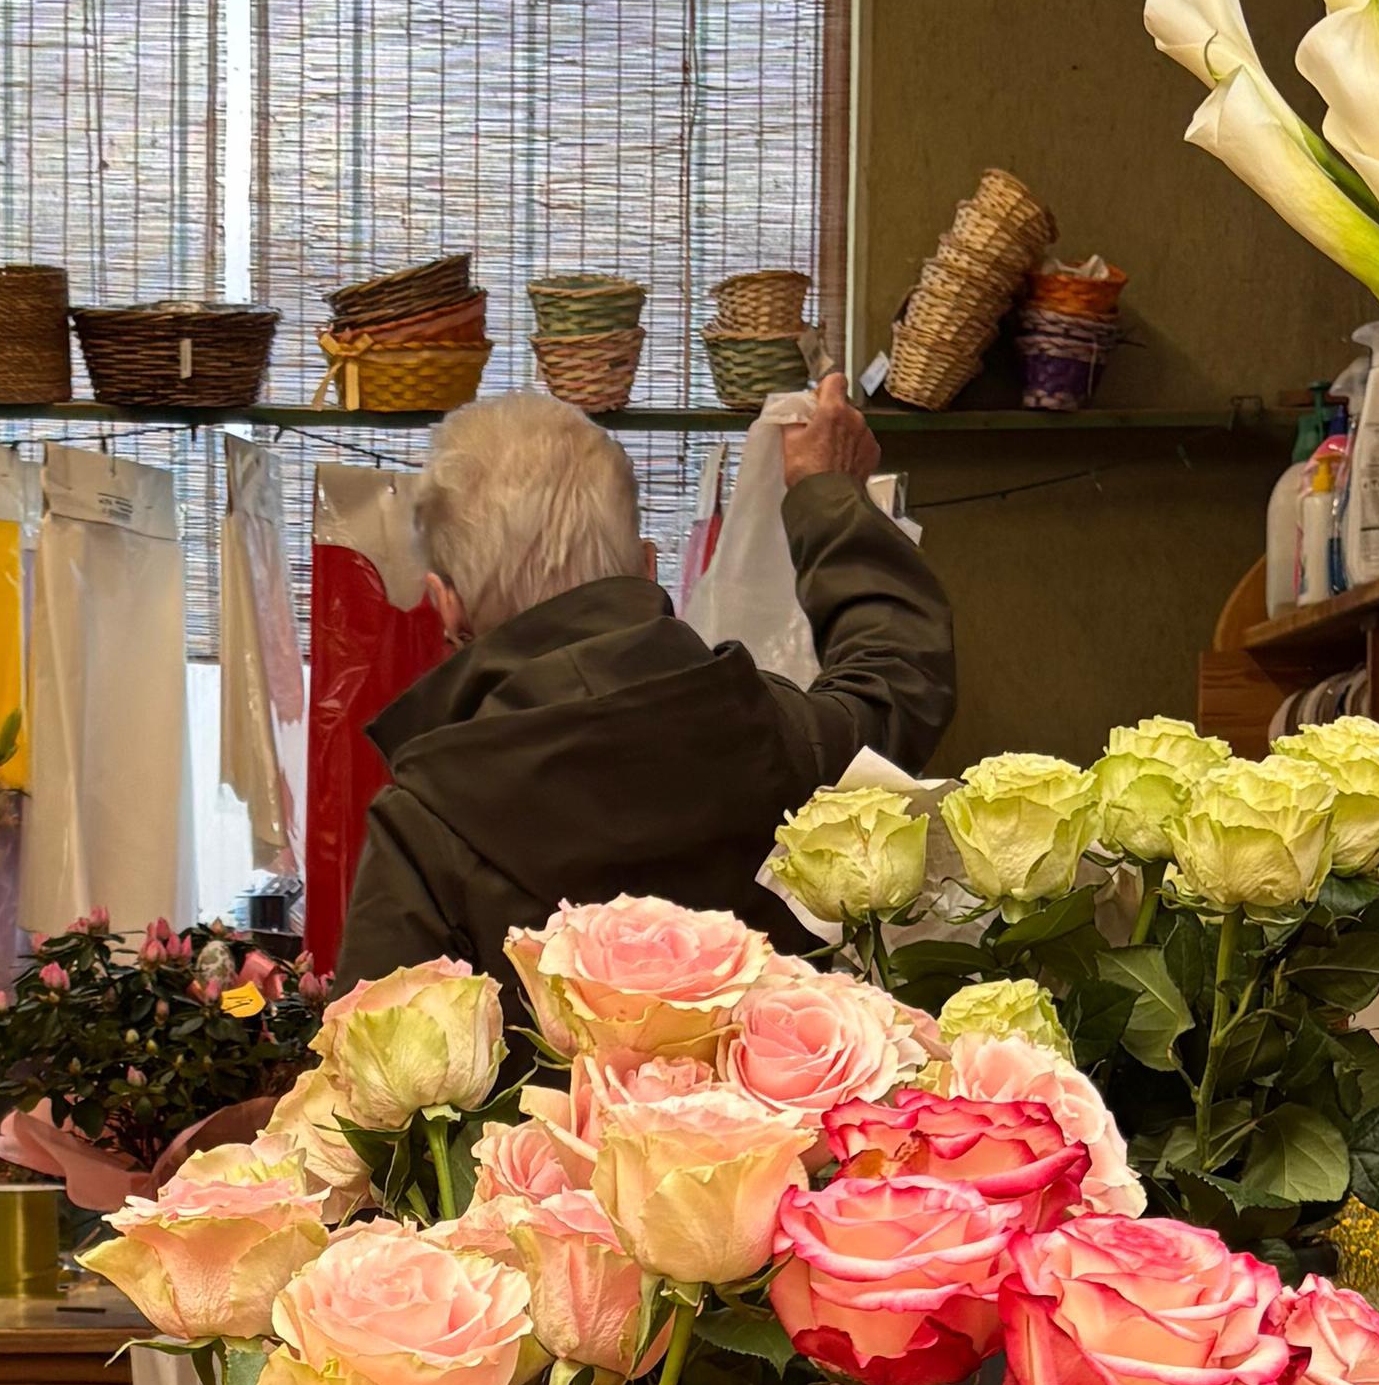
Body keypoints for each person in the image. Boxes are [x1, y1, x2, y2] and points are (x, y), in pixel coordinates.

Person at [334, 387, 954, 986]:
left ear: (446, 605)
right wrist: (826, 493)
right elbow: (897, 675)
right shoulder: (780, 731)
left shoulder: (425, 820)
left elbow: (372, 1066)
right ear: (648, 564)